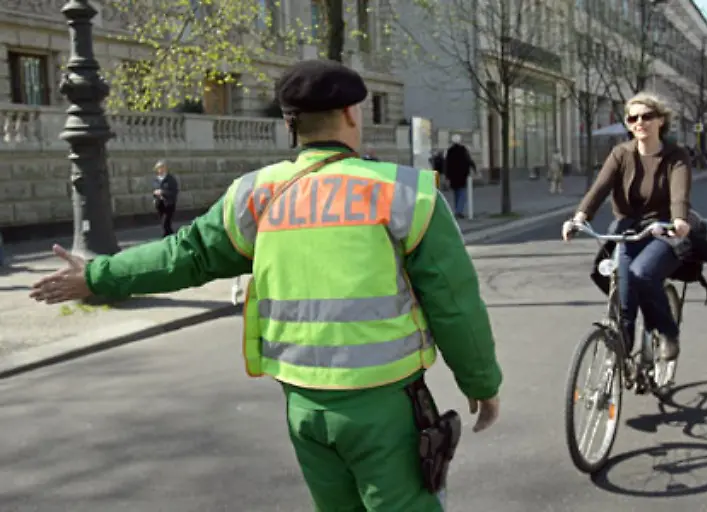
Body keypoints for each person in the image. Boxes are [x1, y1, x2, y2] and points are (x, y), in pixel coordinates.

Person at [29, 59, 502, 511]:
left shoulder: (256, 194)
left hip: (303, 410)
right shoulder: (406, 193)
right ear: (351, 113)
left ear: (290, 123)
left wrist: (95, 275)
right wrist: (480, 382)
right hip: (386, 407)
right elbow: (454, 303)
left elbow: (184, 255)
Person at [562, 92, 693, 362]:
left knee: (642, 273)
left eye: (647, 116)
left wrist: (679, 219)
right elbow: (599, 189)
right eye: (633, 118)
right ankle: (623, 350)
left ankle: (667, 332)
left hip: (663, 230)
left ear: (660, 120)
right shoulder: (621, 154)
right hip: (628, 230)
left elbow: (679, 193)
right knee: (624, 297)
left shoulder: (675, 156)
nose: (639, 122)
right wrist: (579, 217)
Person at [443, 134, 476, 218]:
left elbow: (447, 164)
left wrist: (447, 176)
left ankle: (457, 210)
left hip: (453, 176)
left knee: (456, 194)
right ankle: (459, 211)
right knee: (462, 194)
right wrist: (474, 168)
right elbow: (468, 160)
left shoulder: (450, 151)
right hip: (462, 175)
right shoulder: (463, 150)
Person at [152, 160, 179, 237]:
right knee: (165, 225)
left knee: (165, 223)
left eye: (162, 167)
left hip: (169, 204)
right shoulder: (156, 180)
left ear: (165, 168)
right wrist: (154, 196)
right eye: (159, 168)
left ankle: (166, 237)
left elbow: (174, 192)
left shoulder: (170, 179)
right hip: (159, 204)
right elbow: (154, 190)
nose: (160, 169)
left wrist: (162, 192)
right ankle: (171, 237)